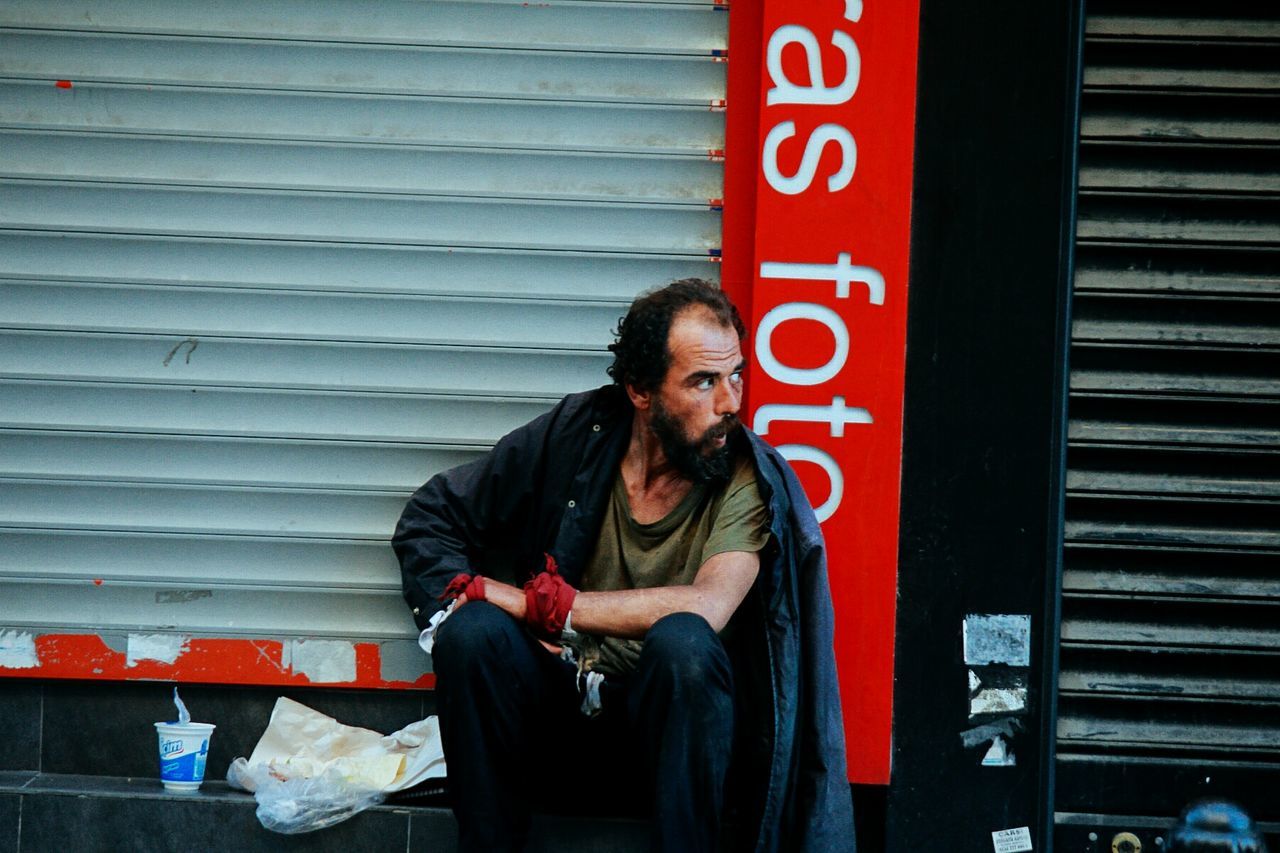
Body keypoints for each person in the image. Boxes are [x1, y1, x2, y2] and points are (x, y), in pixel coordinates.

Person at [393, 279, 855, 852]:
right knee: (473, 633)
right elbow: (431, 514)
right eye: (704, 382)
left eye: (736, 375)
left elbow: (708, 606)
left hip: (670, 743)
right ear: (640, 391)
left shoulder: (748, 479)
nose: (731, 402)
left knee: (684, 642)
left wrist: (549, 607)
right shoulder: (576, 435)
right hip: (556, 725)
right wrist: (457, 597)